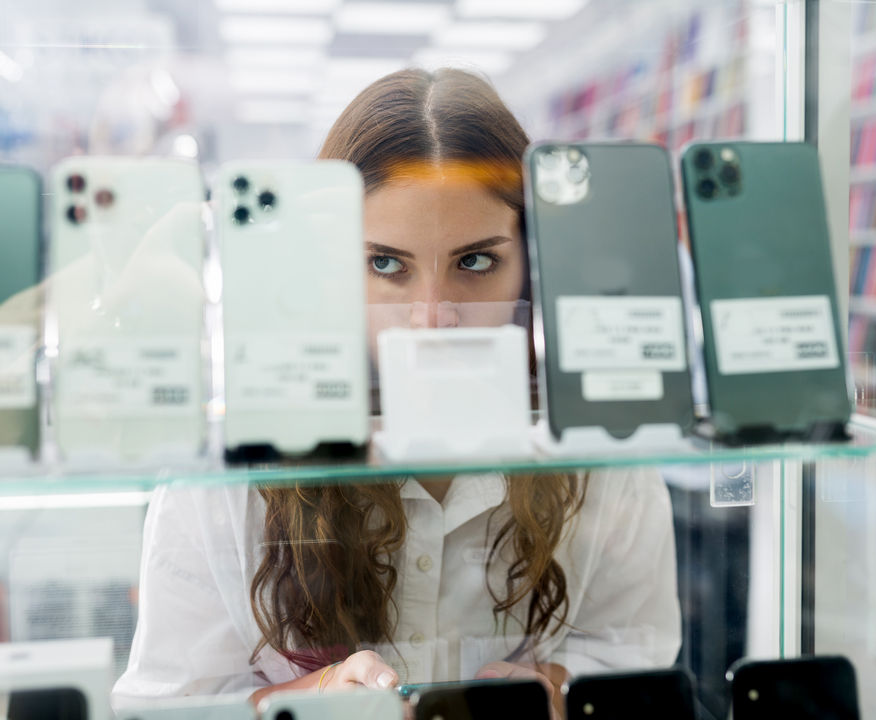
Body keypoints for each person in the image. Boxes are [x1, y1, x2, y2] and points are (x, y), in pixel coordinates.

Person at [111, 68, 681, 716]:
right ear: (327, 266)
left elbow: (634, 662)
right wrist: (319, 700)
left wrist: (556, 692)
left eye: (475, 262)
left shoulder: (601, 465)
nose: (432, 318)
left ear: (533, 260)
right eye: (385, 264)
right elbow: (164, 708)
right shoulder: (225, 483)